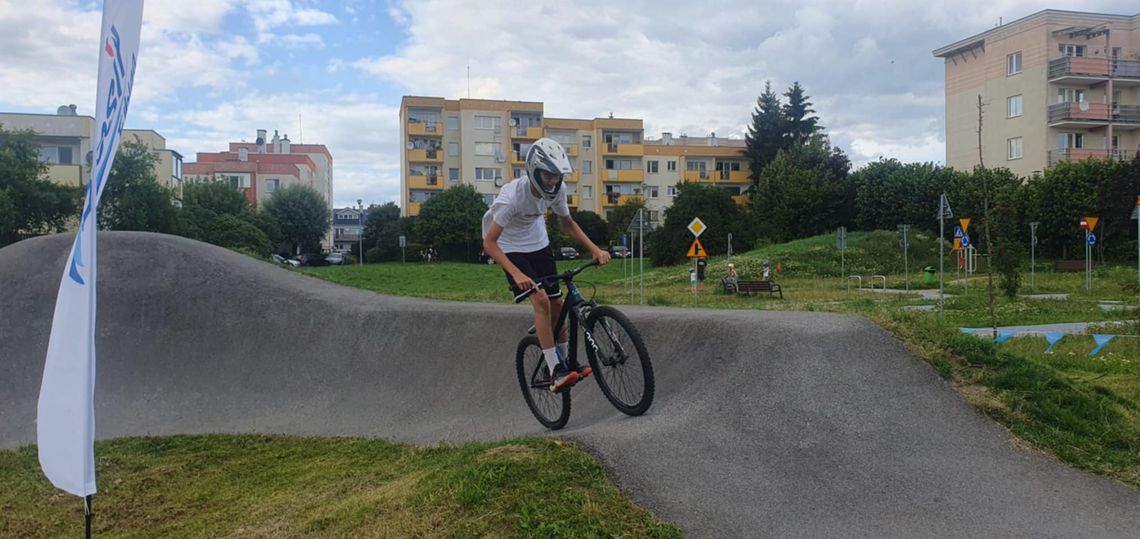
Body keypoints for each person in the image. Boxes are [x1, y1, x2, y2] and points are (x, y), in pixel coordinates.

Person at [482, 138, 611, 393]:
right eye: (547, 175)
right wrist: (516, 273)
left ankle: (566, 364)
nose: (553, 181)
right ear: (533, 170)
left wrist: (595, 249)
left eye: (556, 176)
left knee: (557, 304)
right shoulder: (512, 198)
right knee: (540, 301)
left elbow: (568, 224)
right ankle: (554, 370)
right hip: (509, 246)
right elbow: (489, 243)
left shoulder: (558, 190)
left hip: (538, 243)